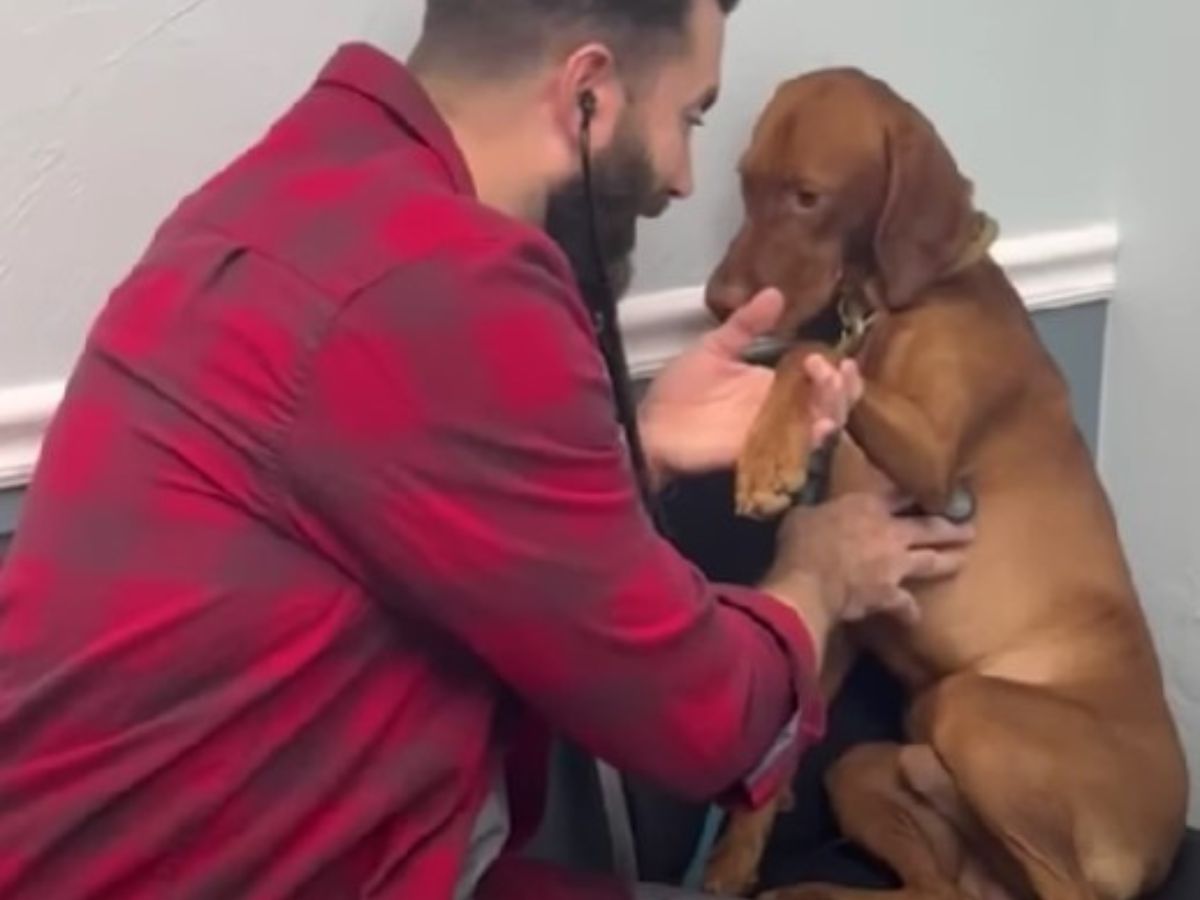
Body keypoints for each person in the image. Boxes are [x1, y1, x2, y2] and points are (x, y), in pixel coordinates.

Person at [0, 1, 973, 898]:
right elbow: (708, 721)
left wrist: (642, 451)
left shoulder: (293, 188)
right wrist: (819, 575)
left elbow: (403, 527)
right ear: (586, 92)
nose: (681, 177)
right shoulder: (446, 279)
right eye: (691, 118)